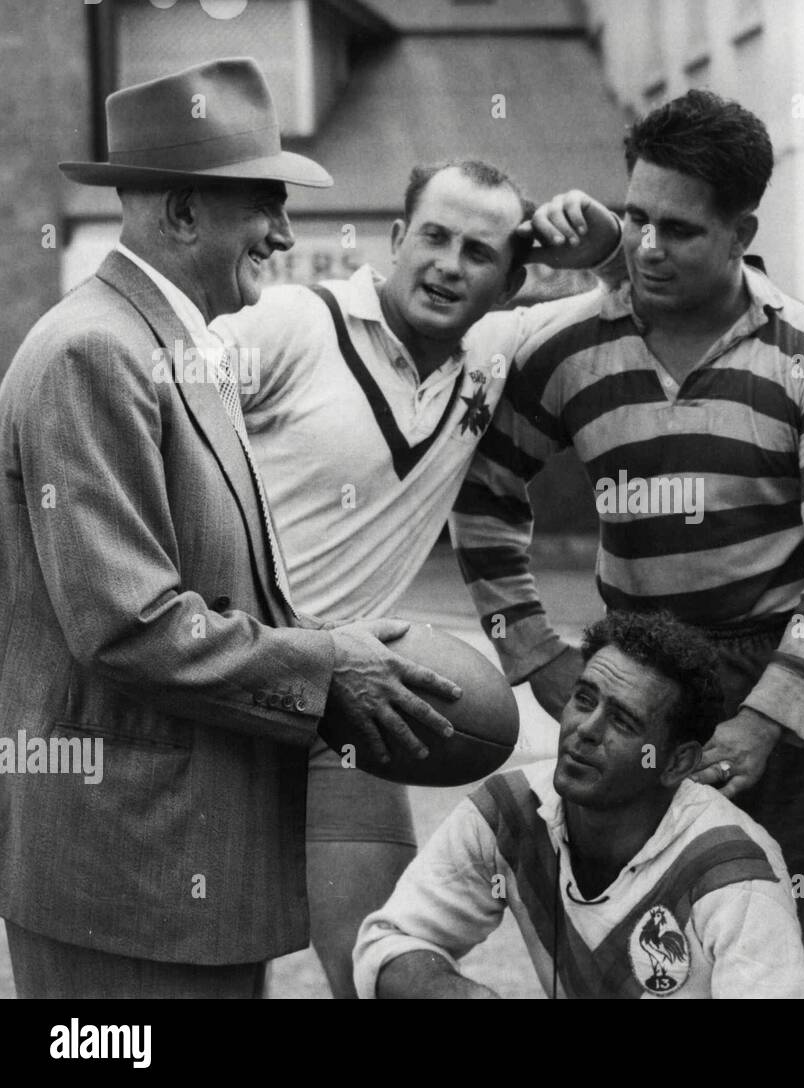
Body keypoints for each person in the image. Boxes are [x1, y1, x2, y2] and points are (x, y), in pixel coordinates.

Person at [0, 58, 460, 998]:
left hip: (183, 864)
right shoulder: (95, 350)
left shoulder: (184, 348)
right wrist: (327, 664)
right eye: (265, 205)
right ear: (180, 213)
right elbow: (127, 625)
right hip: (128, 872)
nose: (287, 234)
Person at [450, 90, 804, 979]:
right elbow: (484, 499)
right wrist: (533, 652)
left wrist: (769, 717)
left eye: (678, 229)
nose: (645, 246)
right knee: (634, 940)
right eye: (634, 217)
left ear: (740, 230)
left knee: (772, 937)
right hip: (634, 670)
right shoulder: (566, 350)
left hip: (772, 667)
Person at [212, 161, 622, 997]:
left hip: (351, 691)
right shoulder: (293, 319)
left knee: (380, 963)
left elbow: (630, 300)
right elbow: (145, 417)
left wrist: (607, 244)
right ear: (397, 240)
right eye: (432, 236)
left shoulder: (498, 351)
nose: (447, 264)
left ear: (511, 277)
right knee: (212, 962)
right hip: (223, 678)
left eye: (479, 251)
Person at [353, 611, 804, 999]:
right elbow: (389, 942)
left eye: (622, 720)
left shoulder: (736, 870)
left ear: (677, 762)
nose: (586, 729)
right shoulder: (510, 811)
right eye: (584, 699)